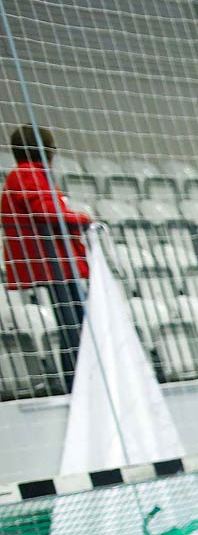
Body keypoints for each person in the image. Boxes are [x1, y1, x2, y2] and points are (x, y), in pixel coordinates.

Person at [2, 125, 90, 389]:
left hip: (56, 262)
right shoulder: (27, 174)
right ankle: (78, 384)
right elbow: (46, 212)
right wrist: (83, 219)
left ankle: (81, 381)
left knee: (75, 325)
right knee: (73, 326)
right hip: (52, 262)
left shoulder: (31, 174)